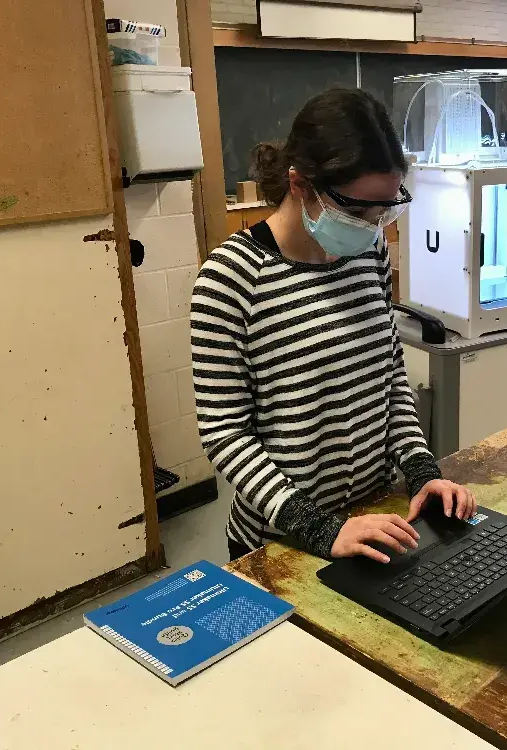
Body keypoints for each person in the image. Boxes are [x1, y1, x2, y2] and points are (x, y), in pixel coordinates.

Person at [191, 88, 476, 563]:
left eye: (384, 210)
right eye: (359, 211)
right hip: (280, 538)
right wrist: (319, 528)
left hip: (376, 519)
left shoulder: (370, 255)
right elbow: (224, 432)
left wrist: (423, 472)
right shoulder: (232, 278)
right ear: (300, 184)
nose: (374, 227)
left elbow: (389, 376)